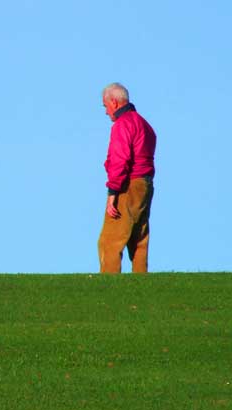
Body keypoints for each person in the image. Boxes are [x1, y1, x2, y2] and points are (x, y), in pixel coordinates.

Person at [98, 83, 156, 273]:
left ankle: (108, 288)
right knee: (139, 239)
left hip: (128, 184)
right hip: (146, 184)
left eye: (105, 106)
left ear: (114, 102)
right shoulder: (145, 125)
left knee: (110, 241)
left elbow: (119, 160)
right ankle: (141, 283)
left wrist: (112, 192)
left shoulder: (122, 125)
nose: (106, 112)